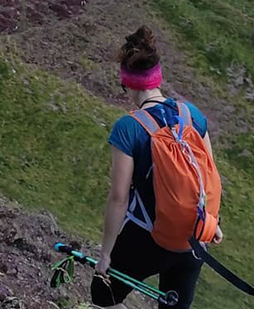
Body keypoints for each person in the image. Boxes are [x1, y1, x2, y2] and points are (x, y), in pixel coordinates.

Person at [93, 26, 223, 309]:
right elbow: (210, 174)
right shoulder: (192, 115)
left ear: (127, 84)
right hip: (195, 239)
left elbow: (118, 198)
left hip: (147, 238)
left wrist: (105, 255)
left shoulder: (129, 127)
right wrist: (213, 223)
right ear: (158, 78)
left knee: (102, 294)